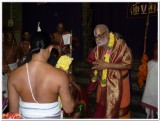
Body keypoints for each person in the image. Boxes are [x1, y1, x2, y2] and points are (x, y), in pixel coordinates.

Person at [8, 31, 75, 119]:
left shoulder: (14, 76)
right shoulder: (60, 76)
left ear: (29, 47)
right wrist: (69, 85)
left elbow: (13, 113)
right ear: (50, 48)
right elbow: (69, 109)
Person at [87, 24, 132, 118]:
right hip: (103, 84)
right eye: (95, 37)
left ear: (107, 34)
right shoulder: (98, 47)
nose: (97, 39)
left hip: (119, 84)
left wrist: (106, 65)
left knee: (120, 111)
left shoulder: (120, 44)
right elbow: (91, 60)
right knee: (103, 110)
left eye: (99, 36)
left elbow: (129, 65)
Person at [141, 42, 158, 118]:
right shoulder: (149, 64)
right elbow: (144, 77)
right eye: (156, 49)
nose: (157, 51)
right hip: (149, 95)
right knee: (151, 115)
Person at [3, 31, 20, 98]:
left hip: (14, 66)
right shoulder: (3, 46)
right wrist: (7, 67)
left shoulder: (16, 47)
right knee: (6, 82)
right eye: (8, 37)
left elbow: (18, 57)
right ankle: (6, 97)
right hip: (5, 66)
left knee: (14, 82)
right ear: (5, 38)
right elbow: (2, 57)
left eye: (11, 37)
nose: (10, 39)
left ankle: (15, 96)